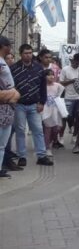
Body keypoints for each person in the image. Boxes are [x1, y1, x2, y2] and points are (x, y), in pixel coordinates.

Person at [10, 44, 52, 166]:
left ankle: (41, 156)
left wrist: (42, 102)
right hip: (19, 104)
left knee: (38, 130)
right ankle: (22, 156)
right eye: (25, 53)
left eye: (30, 53)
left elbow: (42, 87)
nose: (28, 55)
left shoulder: (39, 68)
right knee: (20, 130)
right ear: (21, 54)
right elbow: (11, 86)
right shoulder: (14, 68)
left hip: (35, 104)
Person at [0, 36, 21, 178]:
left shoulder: (2, 62)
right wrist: (10, 94)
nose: (10, 49)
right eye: (9, 45)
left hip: (7, 107)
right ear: (4, 46)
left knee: (2, 143)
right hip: (2, 106)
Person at [59, 53, 79, 147]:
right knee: (65, 118)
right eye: (75, 62)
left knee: (78, 117)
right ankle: (61, 137)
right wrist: (71, 81)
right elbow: (61, 82)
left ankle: (75, 136)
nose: (76, 64)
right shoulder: (65, 69)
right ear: (72, 60)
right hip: (67, 97)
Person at [41, 69, 65, 155]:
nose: (51, 76)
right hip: (46, 110)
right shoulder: (42, 86)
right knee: (47, 129)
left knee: (56, 129)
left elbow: (61, 96)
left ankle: (51, 142)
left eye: (52, 74)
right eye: (49, 75)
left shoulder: (58, 86)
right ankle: (47, 147)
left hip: (56, 110)